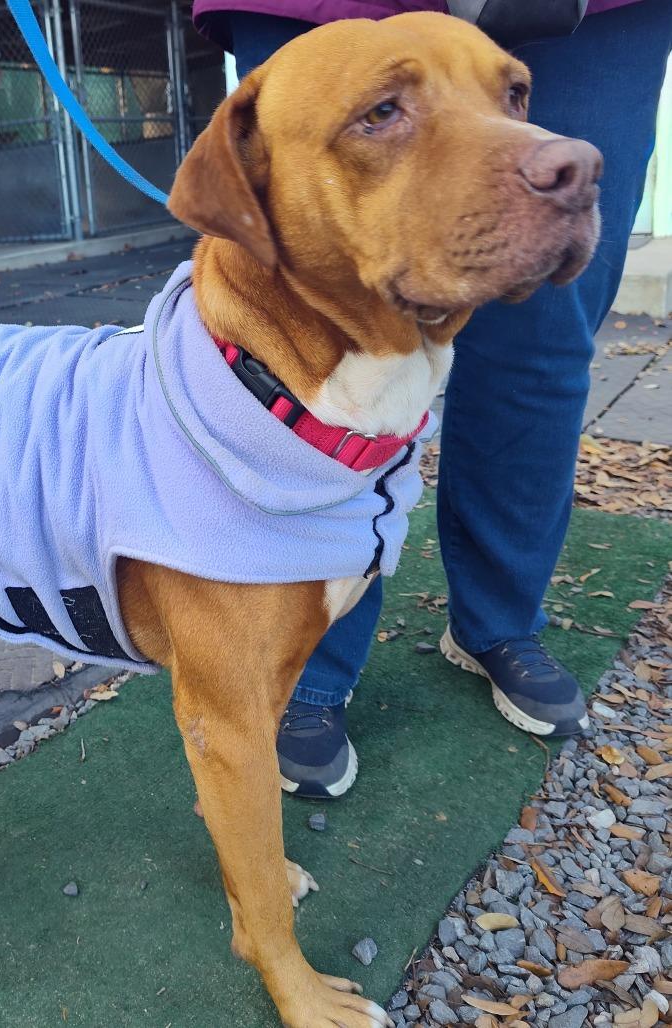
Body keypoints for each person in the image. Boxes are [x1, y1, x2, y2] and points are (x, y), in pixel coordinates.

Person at [192, 0, 672, 798]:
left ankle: (499, 618)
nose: (560, 159)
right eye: (384, 113)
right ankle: (309, 657)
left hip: (597, 12)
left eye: (514, 98)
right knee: (300, 341)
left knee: (543, 352)